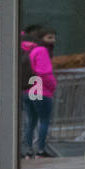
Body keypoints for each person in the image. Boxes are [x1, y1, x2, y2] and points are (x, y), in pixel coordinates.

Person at [20, 25, 57, 159]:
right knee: (44, 120)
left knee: (31, 121)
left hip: (26, 90)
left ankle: (28, 150)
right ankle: (41, 150)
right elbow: (44, 72)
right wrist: (53, 86)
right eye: (49, 37)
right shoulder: (41, 50)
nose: (53, 41)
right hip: (41, 90)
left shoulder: (26, 50)